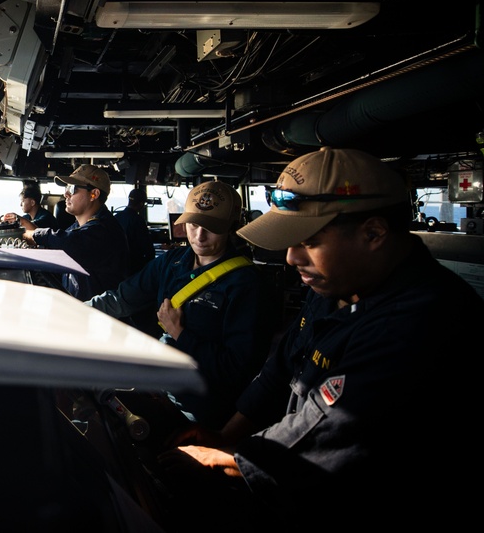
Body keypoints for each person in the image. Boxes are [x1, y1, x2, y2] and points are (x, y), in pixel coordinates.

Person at [151, 147, 483, 532]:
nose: (291, 258)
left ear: (373, 233)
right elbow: (281, 370)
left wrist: (219, 458)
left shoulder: (423, 320)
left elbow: (329, 429)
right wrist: (226, 435)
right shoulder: (338, 285)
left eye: (308, 241)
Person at [86, 180, 277, 432]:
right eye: (194, 224)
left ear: (232, 227)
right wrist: (73, 311)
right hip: (163, 387)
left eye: (212, 227)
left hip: (201, 411)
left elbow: (237, 369)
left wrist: (181, 334)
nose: (199, 236)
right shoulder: (173, 261)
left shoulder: (246, 284)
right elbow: (122, 298)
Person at [21, 164, 129, 301]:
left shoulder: (105, 230)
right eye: (67, 188)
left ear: (94, 194)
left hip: (100, 316)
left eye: (72, 189)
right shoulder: (76, 228)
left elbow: (72, 243)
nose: (65, 194)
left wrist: (35, 234)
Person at [112, 187, 156, 276]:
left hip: (116, 266)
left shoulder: (116, 217)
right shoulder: (138, 220)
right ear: (141, 204)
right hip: (134, 267)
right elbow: (147, 249)